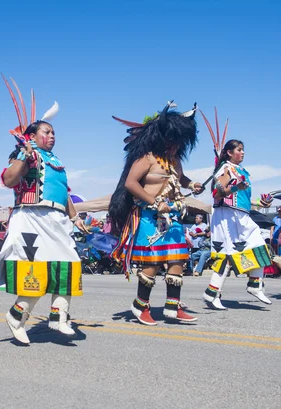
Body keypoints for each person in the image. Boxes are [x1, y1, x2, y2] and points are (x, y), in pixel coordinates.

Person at [0, 77, 84, 344]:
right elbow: (9, 180)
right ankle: (16, 316)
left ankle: (59, 317)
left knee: (70, 264)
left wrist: (75, 216)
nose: (52, 136)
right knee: (35, 272)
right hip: (30, 218)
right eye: (46, 132)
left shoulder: (57, 161)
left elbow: (64, 194)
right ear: (31, 136)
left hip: (57, 220)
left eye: (54, 133)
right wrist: (23, 155)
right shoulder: (24, 155)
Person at [110, 101, 203, 326]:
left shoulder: (174, 159)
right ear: (163, 137)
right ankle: (140, 306)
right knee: (150, 263)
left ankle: (173, 307)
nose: (175, 145)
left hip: (172, 217)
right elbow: (131, 183)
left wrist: (193, 185)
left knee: (177, 259)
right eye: (172, 140)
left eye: (179, 141)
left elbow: (180, 179)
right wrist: (154, 202)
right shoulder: (147, 157)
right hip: (149, 217)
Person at [202, 139, 274, 309]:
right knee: (227, 255)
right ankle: (215, 292)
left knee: (257, 247)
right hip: (227, 216)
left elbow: (242, 200)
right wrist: (236, 188)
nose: (242, 153)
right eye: (239, 150)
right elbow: (217, 193)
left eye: (243, 150)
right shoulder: (227, 169)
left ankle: (252, 285)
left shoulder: (242, 171)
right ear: (229, 152)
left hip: (240, 215)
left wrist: (260, 203)